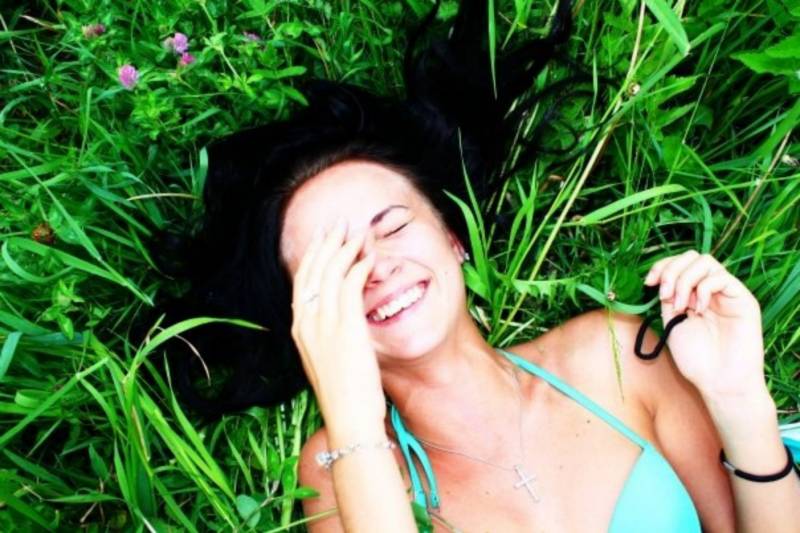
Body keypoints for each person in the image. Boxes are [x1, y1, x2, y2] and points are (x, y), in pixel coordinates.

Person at [150, 0, 800, 531]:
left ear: (456, 237)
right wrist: (349, 411)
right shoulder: (336, 463)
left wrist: (739, 398)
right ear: (306, 315)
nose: (377, 267)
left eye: (393, 226)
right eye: (337, 264)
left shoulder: (612, 357)